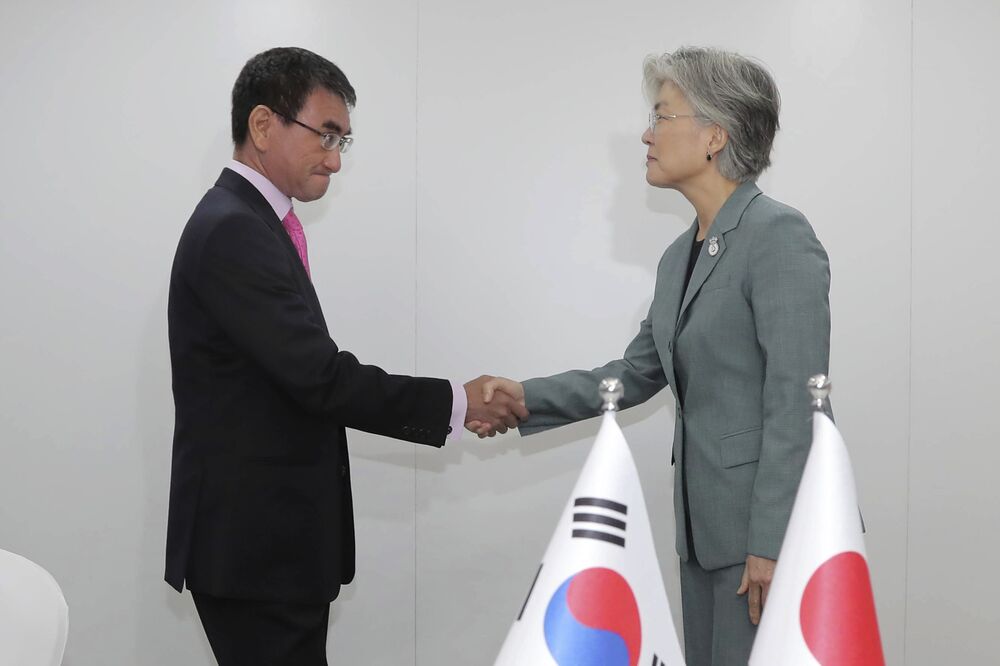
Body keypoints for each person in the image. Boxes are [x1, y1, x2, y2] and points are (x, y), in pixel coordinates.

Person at [165, 47, 525, 666]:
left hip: (269, 551)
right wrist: (456, 402)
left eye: (344, 143)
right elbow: (319, 378)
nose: (335, 160)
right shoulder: (234, 230)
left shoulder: (253, 222)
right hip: (256, 553)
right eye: (325, 136)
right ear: (261, 125)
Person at [475, 47, 830, 666]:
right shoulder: (678, 258)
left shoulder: (778, 235)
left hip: (760, 540)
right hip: (700, 533)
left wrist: (774, 542)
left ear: (714, 134)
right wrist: (524, 398)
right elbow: (635, 374)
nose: (646, 133)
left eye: (661, 116)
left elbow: (798, 401)